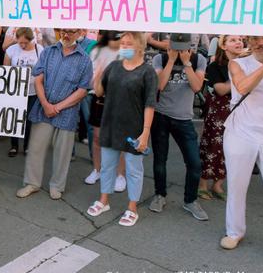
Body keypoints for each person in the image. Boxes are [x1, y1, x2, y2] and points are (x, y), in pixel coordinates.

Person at [85, 32, 157, 227]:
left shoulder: (147, 72)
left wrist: (145, 132)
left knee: (134, 170)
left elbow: (150, 104)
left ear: (140, 47)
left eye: (128, 44)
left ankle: (132, 208)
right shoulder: (114, 66)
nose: (123, 46)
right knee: (108, 166)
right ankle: (103, 201)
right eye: (122, 43)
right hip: (110, 125)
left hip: (134, 129)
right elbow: (99, 92)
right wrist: (98, 76)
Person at [17, 29, 92, 201]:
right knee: (35, 147)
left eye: (71, 32)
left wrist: (57, 107)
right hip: (43, 109)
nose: (66, 35)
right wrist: (45, 103)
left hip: (67, 113)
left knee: (63, 152)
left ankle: (57, 186)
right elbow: (38, 79)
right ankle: (32, 183)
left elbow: (82, 91)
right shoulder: (48, 52)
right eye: (64, 31)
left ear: (79, 32)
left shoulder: (84, 60)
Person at [220, 35, 263, 253]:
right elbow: (242, 87)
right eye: (254, 39)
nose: (260, 43)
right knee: (236, 185)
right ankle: (234, 232)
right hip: (240, 132)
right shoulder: (238, 63)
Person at [149, 33, 209, 221]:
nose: (179, 51)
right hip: (161, 116)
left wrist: (187, 63)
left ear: (190, 47)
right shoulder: (160, 58)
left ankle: (190, 200)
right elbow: (159, 85)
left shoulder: (198, 59)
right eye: (175, 47)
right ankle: (160, 195)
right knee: (160, 159)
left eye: (182, 48)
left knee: (194, 162)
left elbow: (197, 87)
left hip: (184, 118)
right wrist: (171, 61)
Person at [198, 35, 244, 201]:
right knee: (212, 146)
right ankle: (203, 184)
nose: (239, 42)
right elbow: (221, 90)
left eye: (240, 39)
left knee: (232, 149)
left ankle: (218, 185)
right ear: (223, 46)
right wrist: (241, 76)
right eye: (233, 40)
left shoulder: (246, 64)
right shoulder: (216, 66)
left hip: (240, 111)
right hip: (219, 112)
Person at [84, 31, 122, 186]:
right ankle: (97, 170)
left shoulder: (126, 51)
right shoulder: (96, 50)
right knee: (97, 137)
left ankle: (120, 175)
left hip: (120, 99)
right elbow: (92, 78)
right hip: (99, 97)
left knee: (119, 139)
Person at [3, 28, 44, 157]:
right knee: (15, 118)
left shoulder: (40, 50)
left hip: (33, 91)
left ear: (31, 39)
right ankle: (14, 145)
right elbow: (6, 70)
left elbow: (44, 70)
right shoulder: (12, 50)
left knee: (29, 120)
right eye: (20, 42)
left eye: (25, 43)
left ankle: (27, 146)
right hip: (16, 90)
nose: (22, 45)